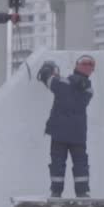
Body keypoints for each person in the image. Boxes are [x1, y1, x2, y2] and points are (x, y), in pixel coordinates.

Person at [37, 55, 95, 198]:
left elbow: (46, 77)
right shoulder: (89, 91)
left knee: (57, 162)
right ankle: (82, 192)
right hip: (78, 134)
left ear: (76, 66)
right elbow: (75, 87)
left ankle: (56, 192)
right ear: (91, 71)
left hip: (59, 132)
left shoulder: (61, 83)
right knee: (80, 162)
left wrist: (49, 69)